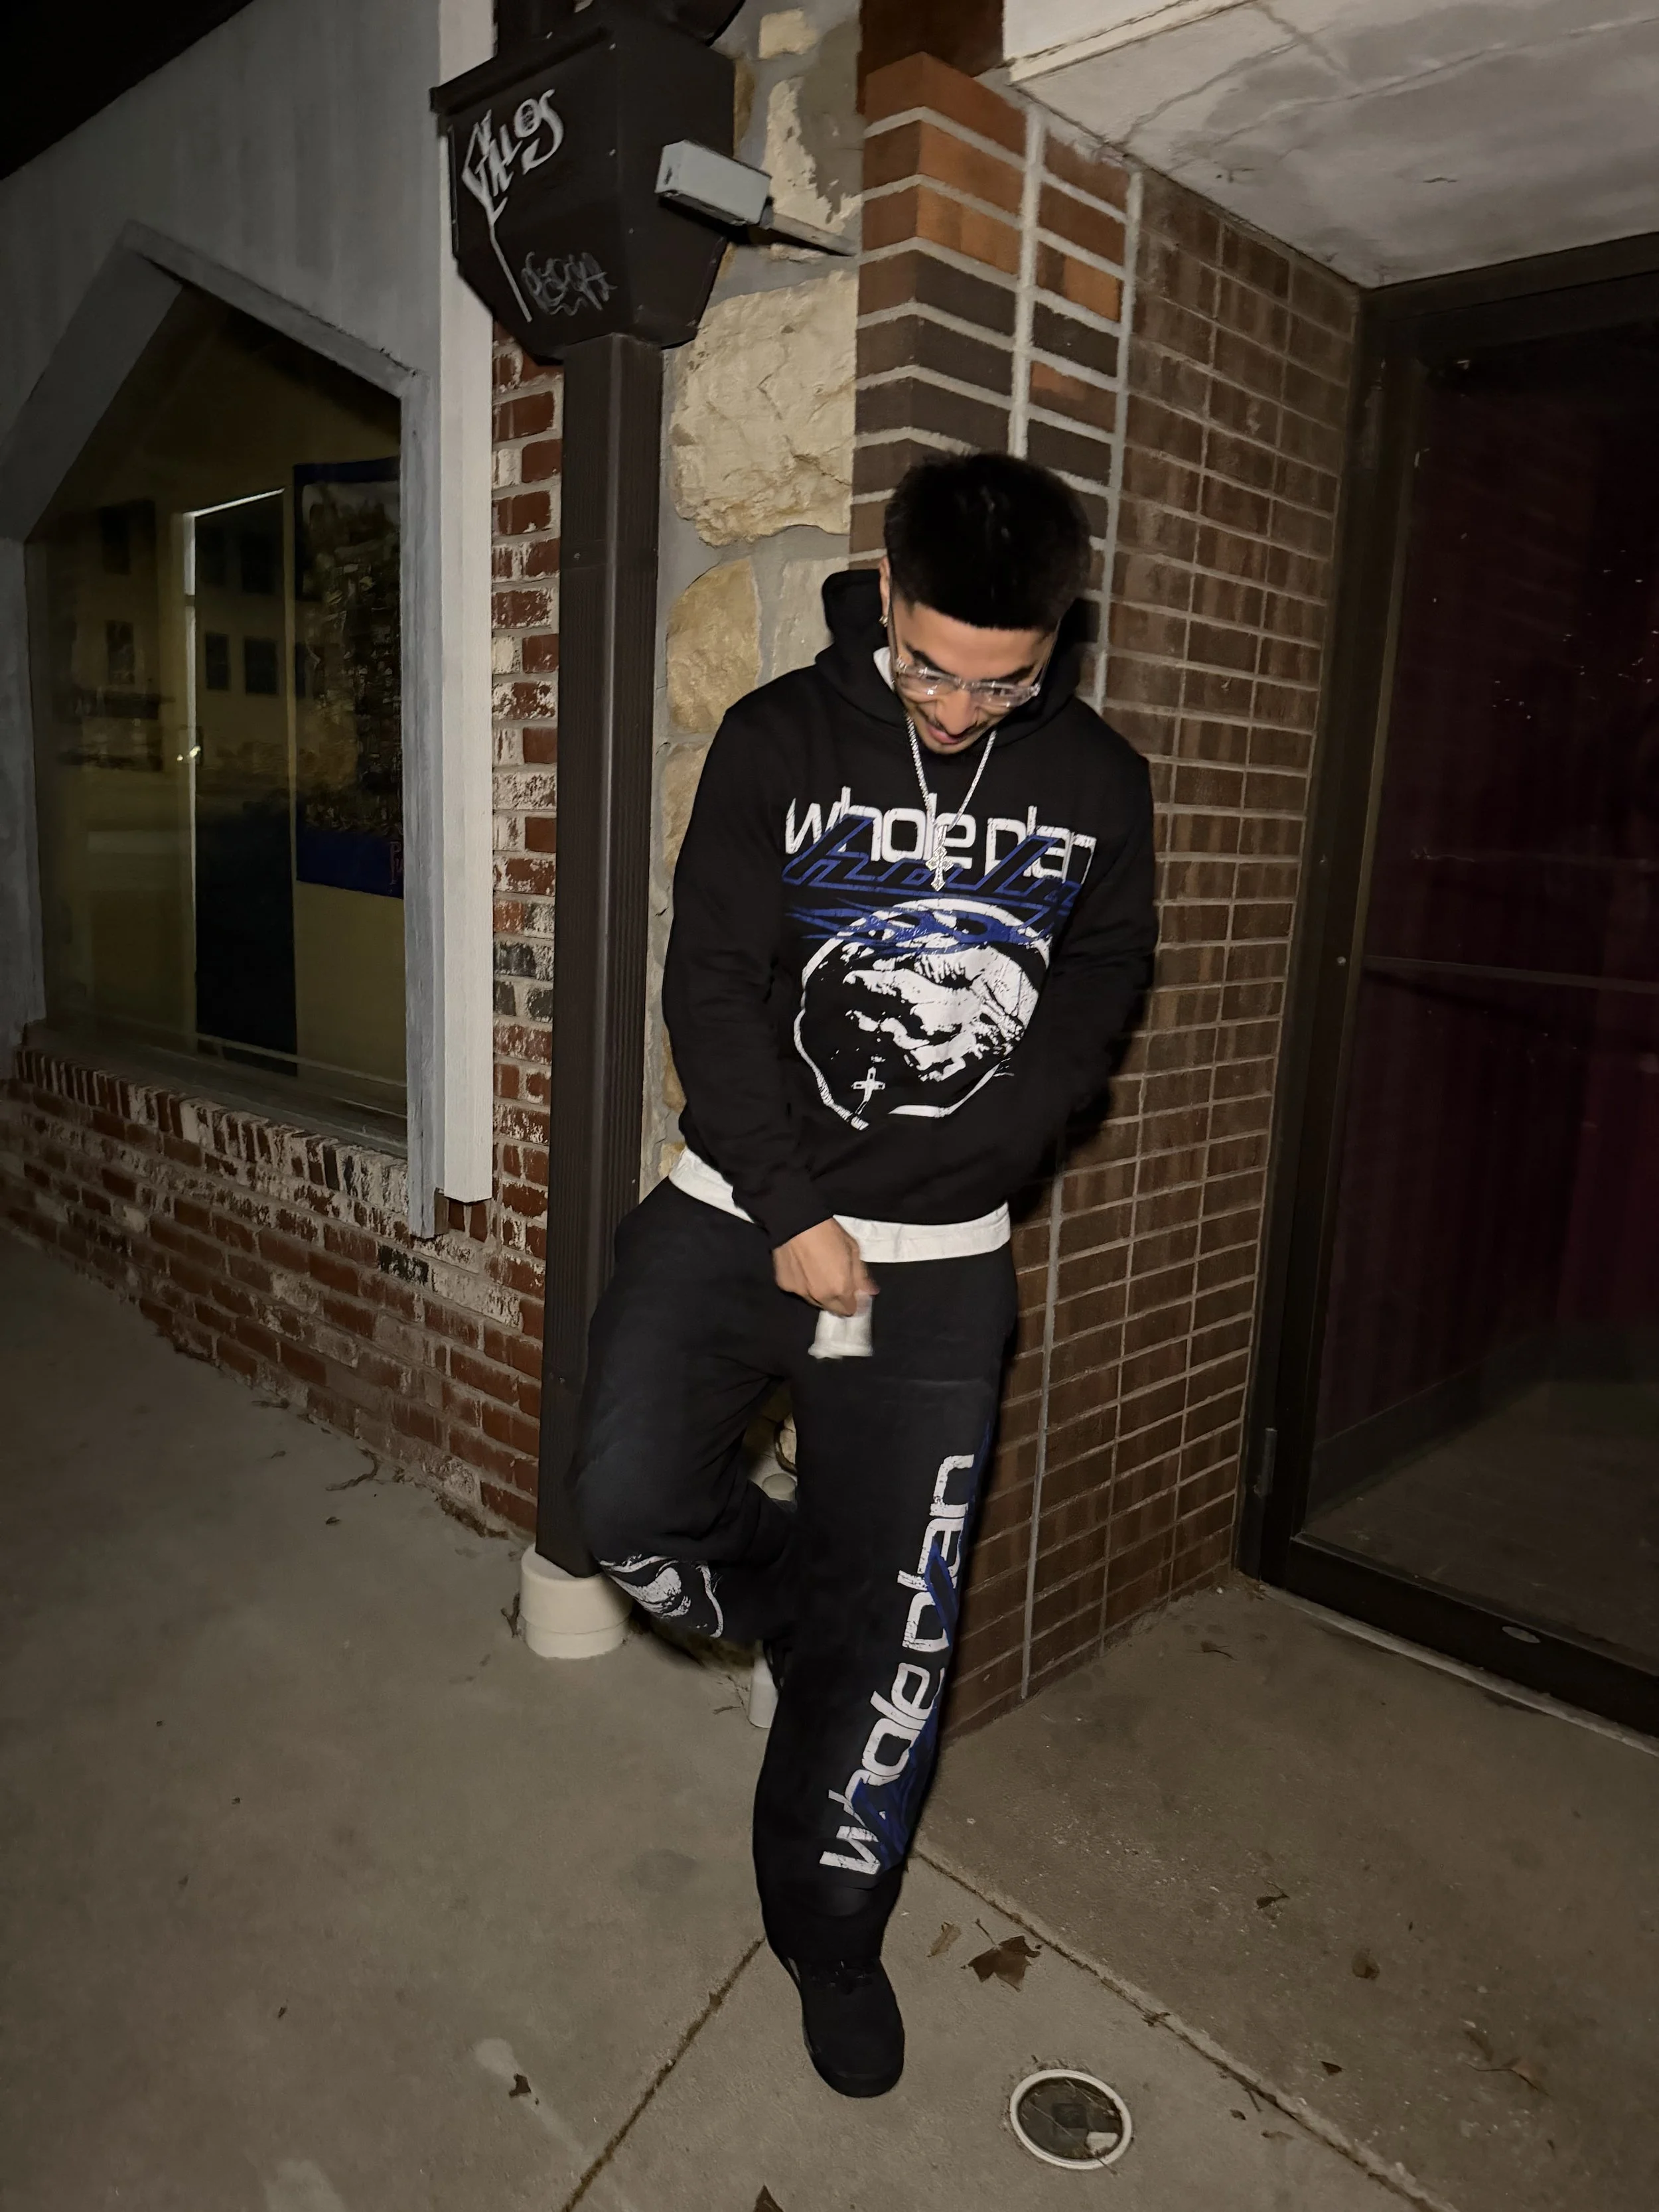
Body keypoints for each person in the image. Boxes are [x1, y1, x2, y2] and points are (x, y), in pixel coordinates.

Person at [573, 452, 1156, 2098]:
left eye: (1003, 679)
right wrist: (787, 1206)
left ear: (1053, 641)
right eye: (927, 665)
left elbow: (1107, 965)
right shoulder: (777, 740)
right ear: (882, 596)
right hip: (737, 1210)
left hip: (944, 1263)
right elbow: (709, 982)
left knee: (903, 1629)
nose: (961, 707)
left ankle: (830, 1934)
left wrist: (1003, 1149)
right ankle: (805, 1610)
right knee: (623, 1505)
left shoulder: (1098, 783)